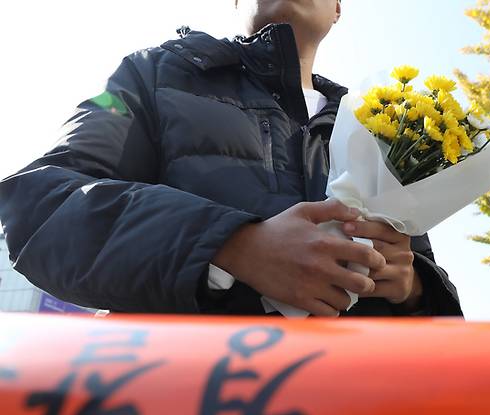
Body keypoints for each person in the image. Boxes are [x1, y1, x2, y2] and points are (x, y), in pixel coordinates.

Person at [0, 0, 462, 317]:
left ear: (339, 7)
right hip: (185, 406)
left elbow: (439, 328)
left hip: (358, 414)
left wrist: (414, 289)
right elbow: (41, 205)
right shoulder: (150, 74)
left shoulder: (386, 131)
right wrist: (232, 245)